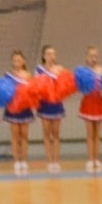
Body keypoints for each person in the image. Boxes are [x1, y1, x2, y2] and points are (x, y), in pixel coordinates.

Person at [34, 44, 66, 173]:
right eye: (48, 54)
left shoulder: (60, 69)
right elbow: (36, 87)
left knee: (56, 133)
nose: (51, 56)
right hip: (44, 104)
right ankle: (49, 161)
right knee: (47, 133)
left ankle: (56, 160)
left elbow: (65, 86)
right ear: (43, 56)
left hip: (57, 104)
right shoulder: (39, 70)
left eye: (53, 54)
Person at [77, 45, 102, 173]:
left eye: (95, 56)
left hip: (99, 102)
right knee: (90, 134)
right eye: (91, 56)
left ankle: (96, 158)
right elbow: (78, 87)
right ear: (86, 57)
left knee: (97, 134)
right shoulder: (83, 71)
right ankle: (90, 159)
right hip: (88, 102)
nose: (93, 58)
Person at [3, 50, 34, 176]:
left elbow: (33, 91)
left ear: (24, 61)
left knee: (24, 135)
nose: (17, 62)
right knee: (15, 136)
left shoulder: (29, 75)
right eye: (15, 60)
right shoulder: (8, 75)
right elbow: (4, 92)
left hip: (25, 108)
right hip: (13, 108)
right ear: (12, 62)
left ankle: (24, 160)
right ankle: (16, 160)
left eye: (20, 60)